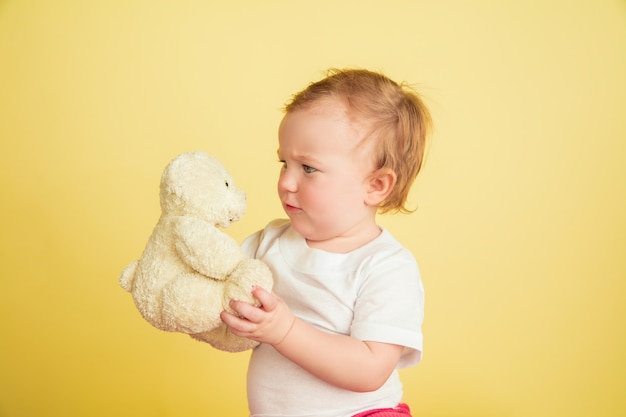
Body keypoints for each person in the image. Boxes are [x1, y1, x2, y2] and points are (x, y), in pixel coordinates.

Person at [220, 68, 432, 417]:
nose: (287, 181)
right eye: (284, 163)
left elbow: (370, 370)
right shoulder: (269, 241)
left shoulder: (386, 267)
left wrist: (284, 330)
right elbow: (219, 285)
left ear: (375, 185)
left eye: (308, 168)